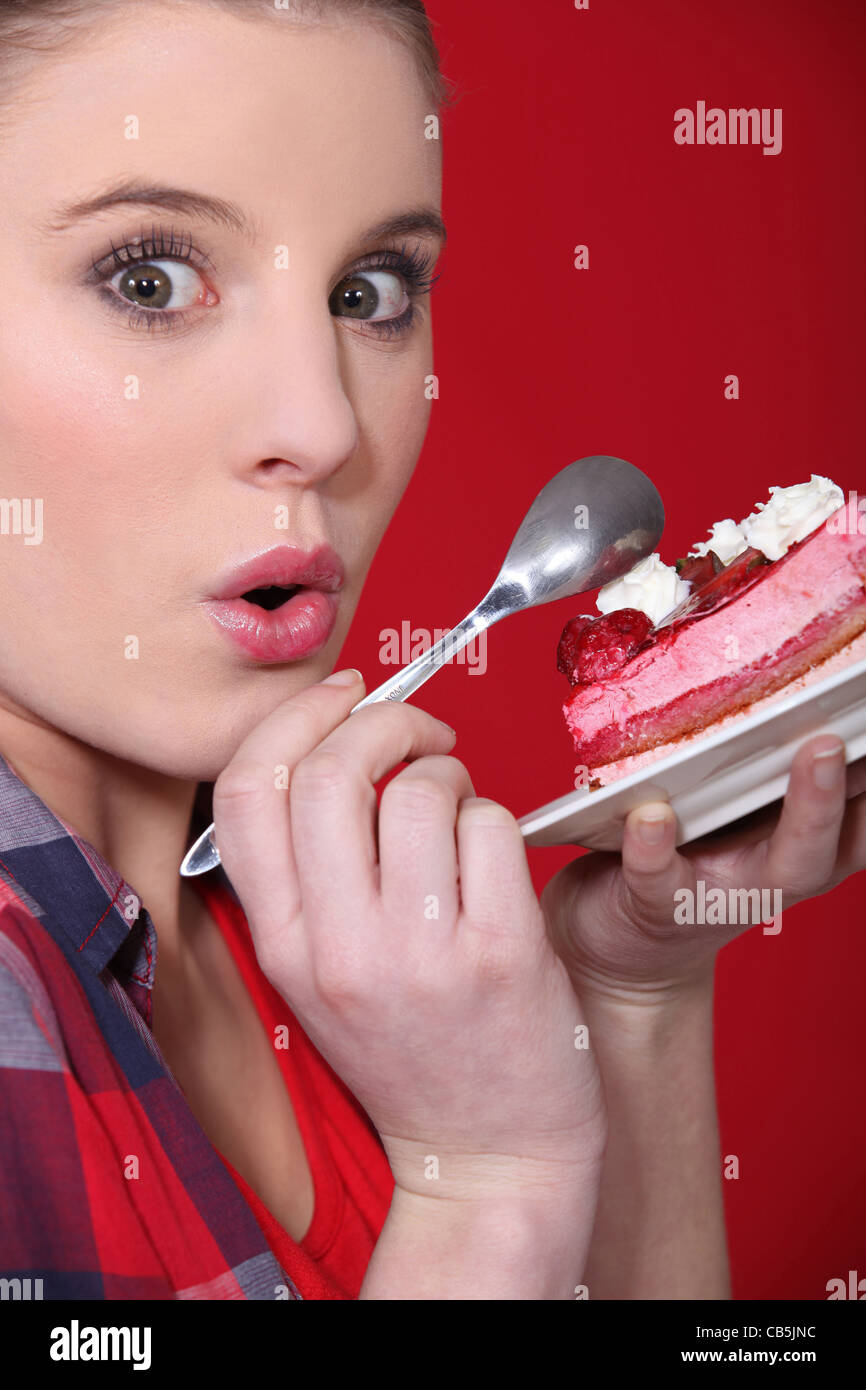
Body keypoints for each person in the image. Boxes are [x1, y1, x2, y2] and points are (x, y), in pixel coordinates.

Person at [0, 0, 862, 1301]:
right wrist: (486, 1184)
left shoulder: (353, 934)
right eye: (148, 278)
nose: (323, 423)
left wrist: (630, 1002)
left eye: (368, 293)